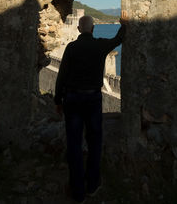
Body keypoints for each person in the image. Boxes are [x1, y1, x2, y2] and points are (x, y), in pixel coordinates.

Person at [54, 11, 128, 203]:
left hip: (72, 100)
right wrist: (125, 23)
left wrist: (57, 101)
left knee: (74, 144)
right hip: (93, 100)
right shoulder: (100, 45)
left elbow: (62, 76)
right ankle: (93, 184)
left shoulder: (71, 47)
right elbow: (119, 38)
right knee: (95, 142)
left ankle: (78, 192)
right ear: (93, 29)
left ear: (78, 29)